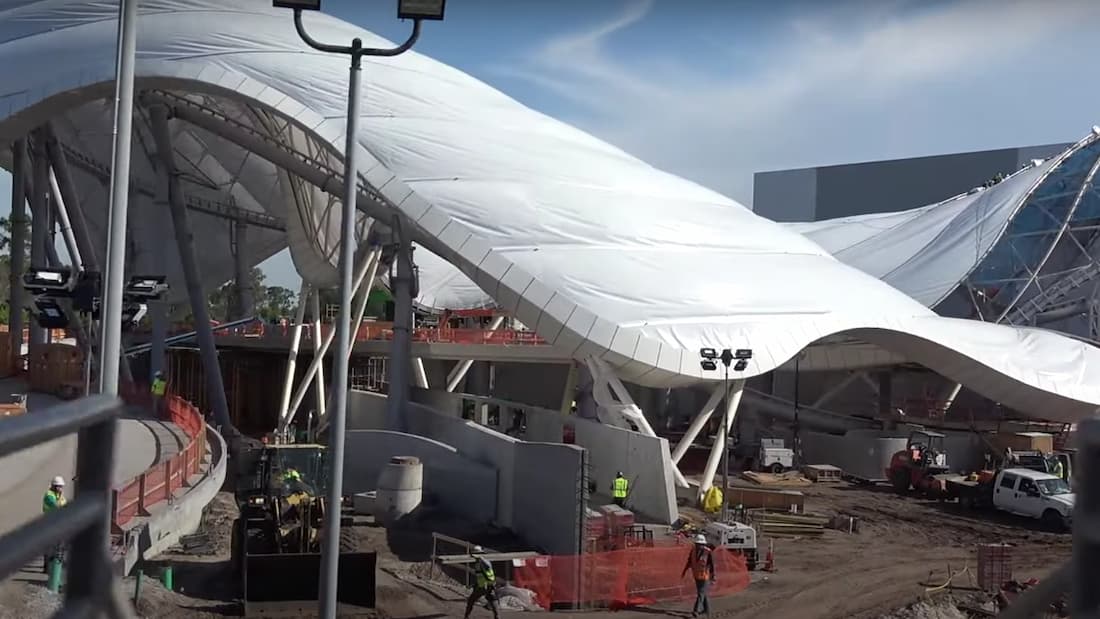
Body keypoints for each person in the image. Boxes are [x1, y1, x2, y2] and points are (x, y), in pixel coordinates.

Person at [681, 534, 716, 618]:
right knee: (703, 594)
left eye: (700, 544)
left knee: (700, 594)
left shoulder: (708, 552)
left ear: (703, 544)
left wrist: (713, 576)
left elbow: (712, 565)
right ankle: (706, 610)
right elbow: (689, 561)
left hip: (705, 576)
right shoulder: (693, 551)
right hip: (696, 576)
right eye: (697, 544)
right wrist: (685, 570)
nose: (698, 546)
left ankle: (695, 611)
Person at [464, 546, 499, 619]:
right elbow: (481, 575)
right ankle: (497, 616)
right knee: (492, 600)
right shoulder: (482, 561)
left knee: (471, 600)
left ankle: (466, 616)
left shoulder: (481, 561)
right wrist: (475, 584)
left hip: (484, 586)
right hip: (489, 584)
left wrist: (481, 560)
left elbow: (487, 568)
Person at [42, 476, 67, 572]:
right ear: (53, 486)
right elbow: (54, 504)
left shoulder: (61, 497)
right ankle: (47, 567)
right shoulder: (49, 495)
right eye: (57, 486)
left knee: (58, 545)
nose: (59, 488)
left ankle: (55, 565)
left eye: (60, 486)